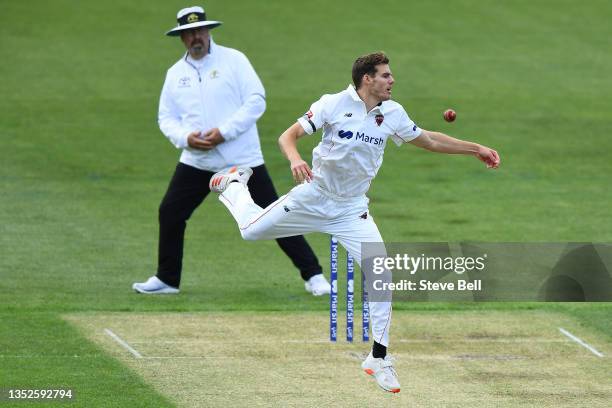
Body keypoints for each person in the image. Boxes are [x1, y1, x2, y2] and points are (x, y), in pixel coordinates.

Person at [207, 52, 500, 393]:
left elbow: (430, 140)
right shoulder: (333, 104)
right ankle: (233, 184)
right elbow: (287, 137)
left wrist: (475, 148)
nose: (392, 81)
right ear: (367, 79)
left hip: (352, 210)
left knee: (382, 274)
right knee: (249, 231)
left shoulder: (392, 113)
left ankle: (379, 358)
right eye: (386, 76)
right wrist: (296, 159)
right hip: (313, 197)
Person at [132, 6, 330, 296]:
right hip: (197, 160)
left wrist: (224, 132)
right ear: (182, 38)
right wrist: (186, 138)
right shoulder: (175, 74)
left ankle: (314, 276)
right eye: (189, 34)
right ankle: (167, 280)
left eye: (199, 31)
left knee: (273, 215)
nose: (195, 38)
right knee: (171, 212)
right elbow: (166, 118)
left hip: (241, 161)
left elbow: (256, 101)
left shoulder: (234, 61)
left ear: (208, 31)